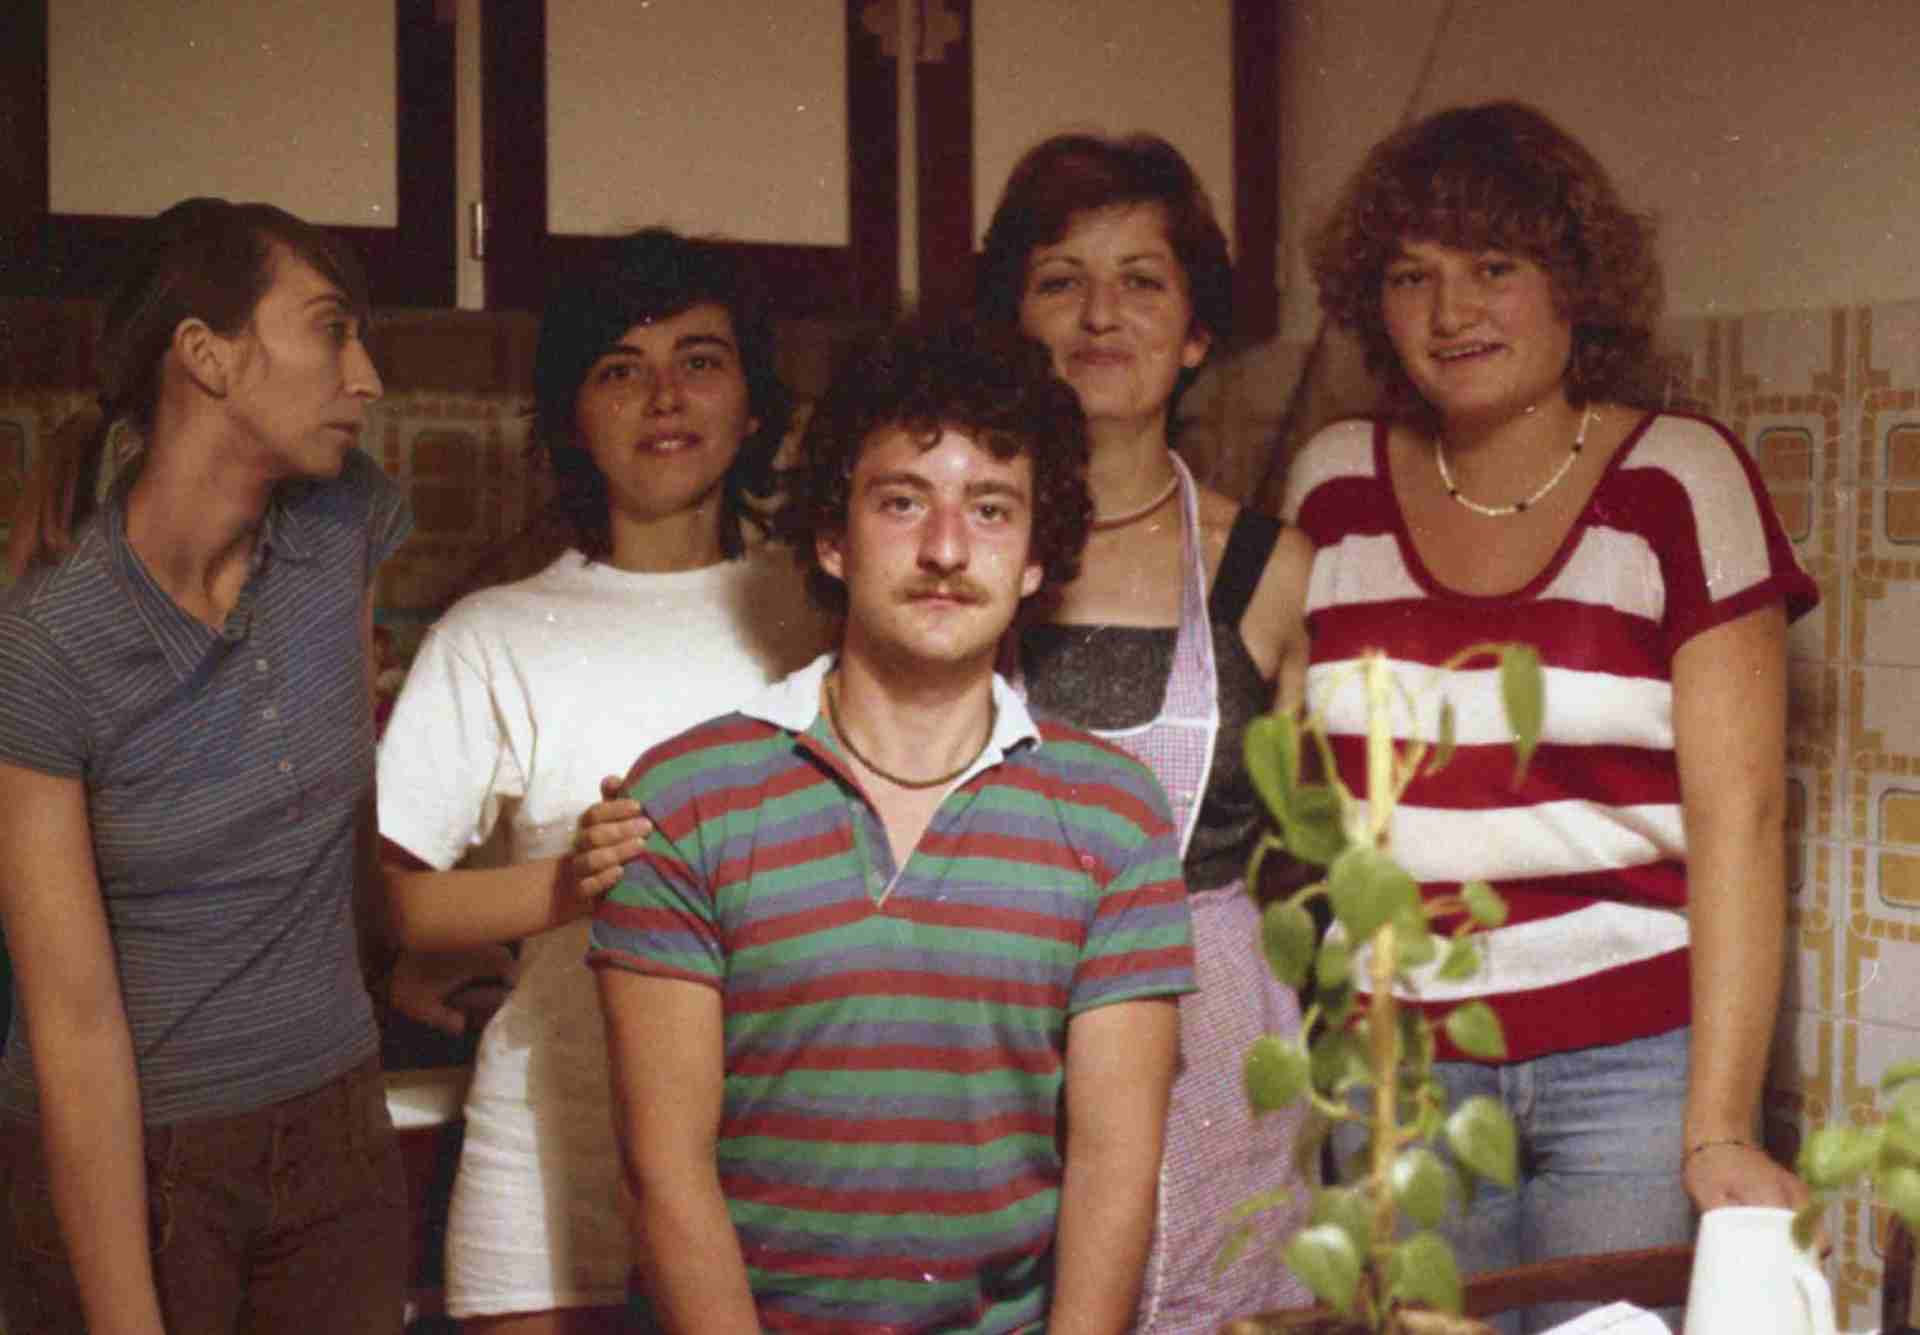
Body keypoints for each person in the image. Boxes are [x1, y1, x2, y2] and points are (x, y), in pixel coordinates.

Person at [1286, 101, 1817, 1332]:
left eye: (1494, 268)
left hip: (1633, 1073)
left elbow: (1740, 822)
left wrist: (1718, 1125)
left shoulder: (1680, 480)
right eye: (1411, 277)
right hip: (1400, 1067)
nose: (1451, 312)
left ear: (1575, 284)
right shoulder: (1332, 483)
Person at [590, 319, 1195, 1334]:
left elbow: (1114, 1170)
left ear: (1037, 556)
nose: (946, 550)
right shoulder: (688, 797)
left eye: (991, 510)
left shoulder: (1113, 814)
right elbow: (665, 1174)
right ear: (833, 537)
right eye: (903, 501)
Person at [375, 229, 828, 1333]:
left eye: (700, 360)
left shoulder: (823, 613)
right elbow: (388, 901)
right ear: (574, 419)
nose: (664, 396)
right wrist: (567, 883)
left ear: (755, 406)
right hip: (551, 1161)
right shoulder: (496, 632)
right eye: (620, 369)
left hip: (789, 1166)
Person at [0, 198, 410, 1333]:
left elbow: (338, 821)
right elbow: (73, 1025)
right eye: (331, 328)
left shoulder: (345, 524)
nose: (367, 378)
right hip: (140, 1162)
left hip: (339, 1138)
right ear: (207, 355)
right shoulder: (48, 647)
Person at [975, 131, 1315, 1332]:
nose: (1099, 315)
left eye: (1141, 281)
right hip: (998, 1019)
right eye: (1059, 280)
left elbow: (1317, 862)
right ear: (1014, 319)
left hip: (1212, 1031)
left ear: (1198, 331)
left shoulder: (1272, 568)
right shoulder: (960, 550)